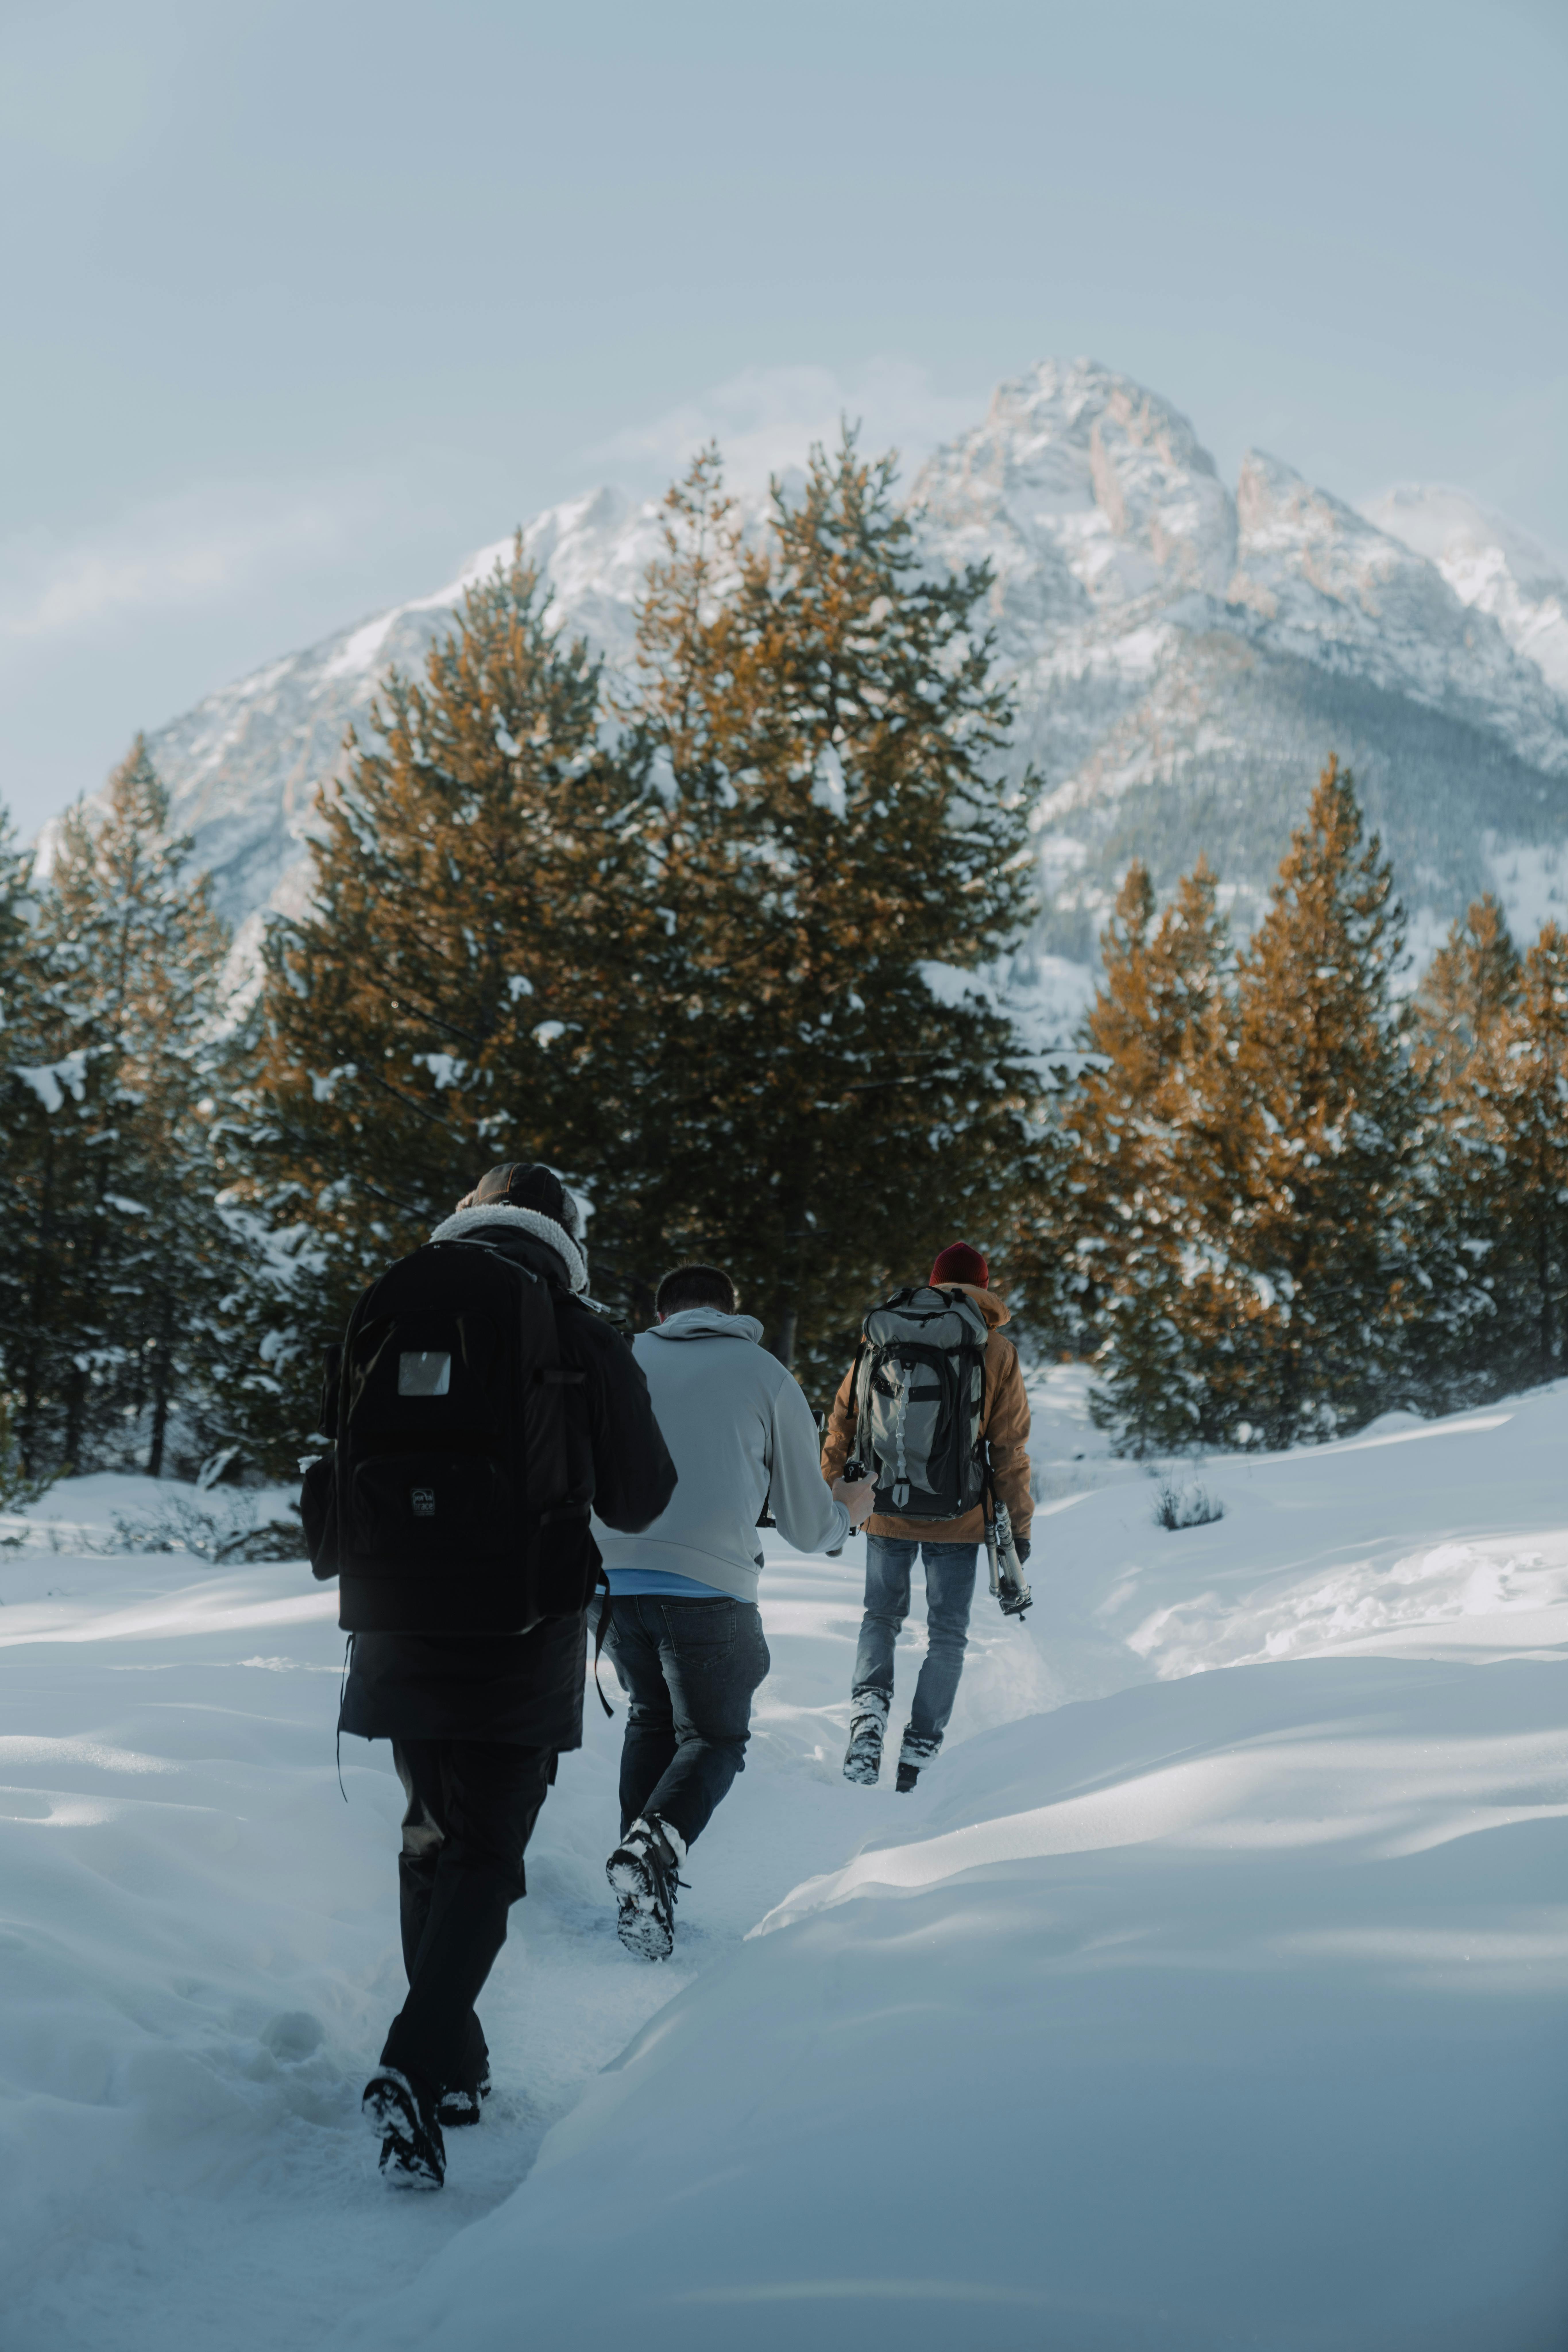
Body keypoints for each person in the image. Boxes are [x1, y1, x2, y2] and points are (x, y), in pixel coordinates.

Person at [331, 1164, 676, 2188]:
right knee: (488, 1852)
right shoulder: (577, 1329)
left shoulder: (395, 1301)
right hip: (524, 1625)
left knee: (428, 1835)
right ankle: (413, 2058)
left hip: (394, 1613)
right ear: (565, 1235)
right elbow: (643, 1494)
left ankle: (455, 2065)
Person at [594, 1263, 875, 1960]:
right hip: (707, 1587)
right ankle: (652, 1850)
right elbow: (810, 1527)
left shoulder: (617, 1361)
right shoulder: (764, 1373)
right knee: (715, 1737)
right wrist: (853, 1512)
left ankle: (642, 1873)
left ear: (662, 1315)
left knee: (650, 1716)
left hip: (608, 1584)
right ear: (730, 1311)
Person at [821, 1241, 1033, 1793]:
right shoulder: (996, 1349)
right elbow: (1009, 1450)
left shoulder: (882, 1335)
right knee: (947, 1635)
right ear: (985, 1288)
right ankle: (918, 1751)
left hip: (882, 1506)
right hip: (959, 1516)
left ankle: (867, 1721)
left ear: (934, 1281)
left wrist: (834, 1500)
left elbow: (843, 1424)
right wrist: (1019, 1530)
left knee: (880, 1618)